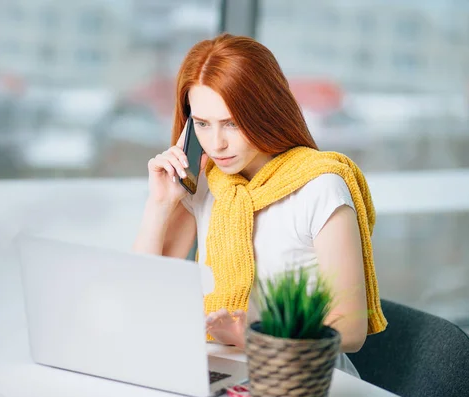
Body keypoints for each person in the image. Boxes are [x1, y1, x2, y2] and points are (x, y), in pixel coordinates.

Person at [133, 33, 387, 378]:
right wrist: (159, 205)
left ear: (265, 111)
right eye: (203, 125)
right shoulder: (206, 182)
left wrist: (251, 333)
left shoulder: (320, 185)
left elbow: (351, 330)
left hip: (302, 377)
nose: (217, 143)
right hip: (221, 366)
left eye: (232, 123)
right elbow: (142, 295)